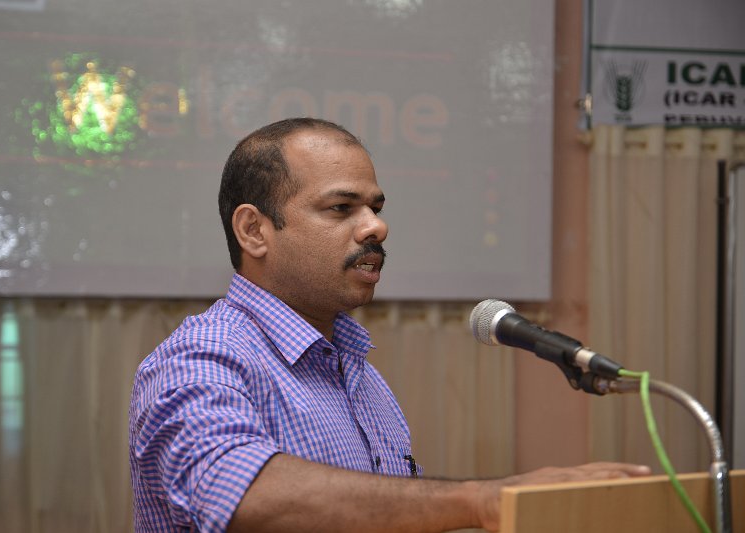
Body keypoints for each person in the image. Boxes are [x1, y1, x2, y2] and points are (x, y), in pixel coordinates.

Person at [128, 117, 650, 532]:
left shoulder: (359, 374)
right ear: (254, 230)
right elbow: (240, 494)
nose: (377, 226)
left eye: (375, 207)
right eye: (341, 208)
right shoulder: (201, 357)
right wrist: (483, 499)